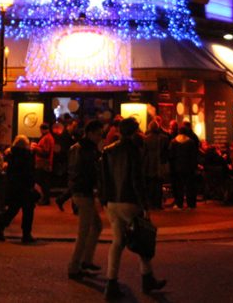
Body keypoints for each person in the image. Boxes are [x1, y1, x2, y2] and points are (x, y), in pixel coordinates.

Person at [99, 117, 165, 300]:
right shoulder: (134, 151)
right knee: (143, 239)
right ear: (134, 131)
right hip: (130, 200)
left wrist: (104, 200)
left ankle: (111, 283)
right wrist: (144, 205)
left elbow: (103, 178)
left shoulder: (107, 151)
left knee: (117, 242)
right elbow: (137, 180)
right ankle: (147, 278)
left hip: (112, 202)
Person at [67, 120, 104, 280]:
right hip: (83, 193)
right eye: (98, 134)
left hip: (84, 192)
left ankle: (86, 261)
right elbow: (81, 173)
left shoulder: (86, 148)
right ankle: (74, 266)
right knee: (84, 232)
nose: (100, 137)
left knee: (96, 226)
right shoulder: (84, 150)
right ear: (90, 133)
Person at [0, 135, 37, 243]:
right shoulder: (27, 156)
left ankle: (0, 226)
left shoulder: (11, 154)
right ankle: (26, 234)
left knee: (12, 209)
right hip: (25, 187)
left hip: (13, 186)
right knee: (28, 211)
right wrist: (32, 184)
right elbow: (29, 172)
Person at [168, 121, 199, 209]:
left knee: (179, 186)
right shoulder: (191, 142)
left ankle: (179, 203)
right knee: (190, 186)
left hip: (177, 167)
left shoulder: (173, 142)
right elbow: (193, 156)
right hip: (189, 167)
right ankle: (191, 204)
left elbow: (171, 155)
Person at [142, 121, 166, 210]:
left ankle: (151, 203)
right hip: (159, 163)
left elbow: (144, 153)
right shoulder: (163, 139)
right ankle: (158, 203)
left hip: (149, 163)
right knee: (159, 184)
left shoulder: (146, 139)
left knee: (150, 184)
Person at [33, 123, 56, 205]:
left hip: (43, 164)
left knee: (43, 182)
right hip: (45, 163)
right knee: (44, 182)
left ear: (42, 129)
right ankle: (45, 199)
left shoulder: (47, 138)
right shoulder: (48, 137)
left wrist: (35, 148)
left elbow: (46, 152)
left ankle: (45, 199)